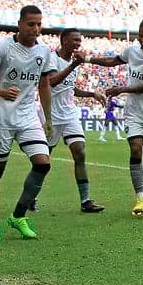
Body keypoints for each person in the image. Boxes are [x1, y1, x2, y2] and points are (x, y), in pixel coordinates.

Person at [0, 5, 56, 241]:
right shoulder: (1, 47)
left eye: (39, 24)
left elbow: (44, 85)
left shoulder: (44, 51)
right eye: (31, 24)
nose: (35, 28)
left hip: (28, 116)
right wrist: (1, 92)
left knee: (43, 164)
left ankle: (18, 215)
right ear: (20, 24)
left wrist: (48, 119)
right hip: (2, 117)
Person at [79, 19, 143, 218]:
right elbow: (112, 61)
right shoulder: (132, 51)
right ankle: (139, 196)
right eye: (141, 35)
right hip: (134, 112)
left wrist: (122, 89)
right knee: (136, 148)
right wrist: (87, 59)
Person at [46, 28, 106, 213]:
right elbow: (51, 82)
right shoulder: (51, 58)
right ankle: (30, 197)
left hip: (70, 113)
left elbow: (69, 88)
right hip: (51, 114)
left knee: (79, 152)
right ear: (63, 40)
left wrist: (91, 94)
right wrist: (73, 65)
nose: (78, 43)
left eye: (79, 40)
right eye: (74, 40)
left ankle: (86, 201)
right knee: (43, 161)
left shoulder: (73, 62)